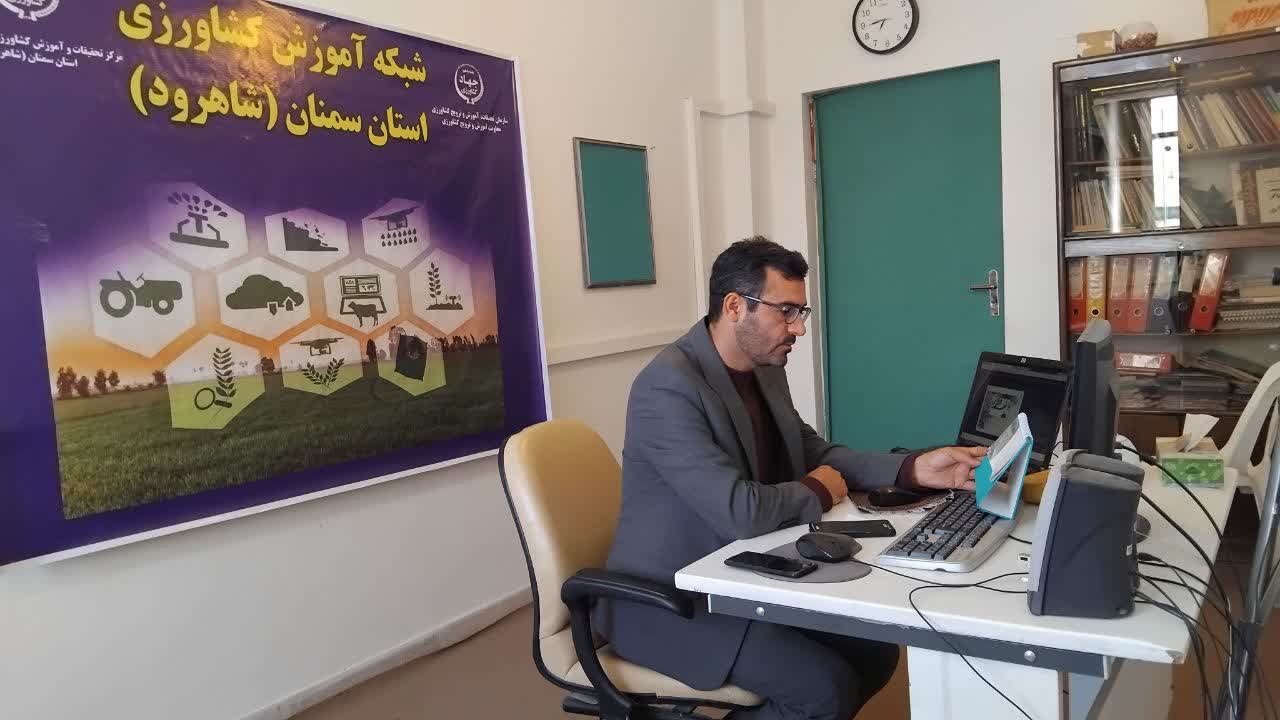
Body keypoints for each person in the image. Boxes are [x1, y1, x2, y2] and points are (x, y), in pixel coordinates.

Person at [597, 237, 985, 720]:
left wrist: (914, 468)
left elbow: (813, 453)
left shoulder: (764, 367)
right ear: (734, 306)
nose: (799, 328)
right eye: (786, 312)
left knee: (875, 652)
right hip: (670, 601)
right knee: (822, 691)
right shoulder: (668, 387)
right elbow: (740, 511)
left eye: (801, 312)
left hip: (741, 574)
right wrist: (819, 489)